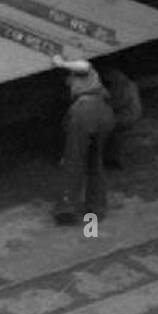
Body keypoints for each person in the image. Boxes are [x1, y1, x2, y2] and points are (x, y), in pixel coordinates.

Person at [50, 54, 115, 224]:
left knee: (73, 160)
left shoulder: (84, 69)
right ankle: (96, 208)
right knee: (95, 161)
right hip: (104, 111)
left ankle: (66, 208)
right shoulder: (87, 78)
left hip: (86, 110)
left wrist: (62, 63)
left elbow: (84, 65)